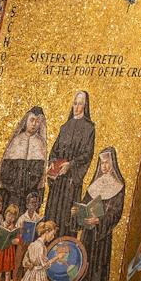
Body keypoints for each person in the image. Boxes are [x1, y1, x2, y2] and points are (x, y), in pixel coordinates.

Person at [67, 147, 126, 281]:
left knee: (97, 272)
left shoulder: (118, 186)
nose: (105, 166)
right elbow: (84, 205)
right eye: (102, 162)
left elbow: (116, 213)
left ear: (113, 163)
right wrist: (76, 212)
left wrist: (99, 221)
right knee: (82, 268)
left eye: (107, 162)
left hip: (101, 238)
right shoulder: (95, 184)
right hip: (87, 236)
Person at [45, 91, 96, 237]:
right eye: (75, 103)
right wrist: (51, 165)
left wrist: (71, 164)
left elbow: (87, 154)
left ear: (85, 106)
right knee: (53, 212)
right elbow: (54, 151)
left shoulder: (89, 128)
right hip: (58, 180)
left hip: (72, 181)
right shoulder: (65, 127)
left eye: (80, 103)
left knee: (67, 214)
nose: (76, 106)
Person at [0, 106, 48, 217]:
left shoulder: (40, 144)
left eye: (37, 121)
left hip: (29, 196)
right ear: (26, 121)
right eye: (32, 120)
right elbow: (5, 171)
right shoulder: (16, 140)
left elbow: (40, 176)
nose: (34, 124)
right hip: (12, 193)